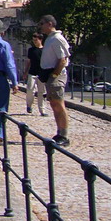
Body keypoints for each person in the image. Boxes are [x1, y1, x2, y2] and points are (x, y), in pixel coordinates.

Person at [38, 15, 72, 146]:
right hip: (50, 75)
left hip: (55, 76)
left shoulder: (57, 38)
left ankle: (64, 135)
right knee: (54, 104)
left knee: (59, 104)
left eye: (42, 23)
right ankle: (60, 132)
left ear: (50, 24)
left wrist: (54, 75)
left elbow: (63, 59)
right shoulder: (50, 39)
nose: (40, 26)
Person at [24, 33, 46, 116]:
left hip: (42, 73)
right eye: (33, 40)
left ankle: (42, 110)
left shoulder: (45, 50)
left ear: (40, 40)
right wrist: (25, 72)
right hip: (32, 72)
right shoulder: (31, 50)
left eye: (36, 40)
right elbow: (28, 62)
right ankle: (29, 105)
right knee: (30, 90)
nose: (34, 42)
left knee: (42, 92)